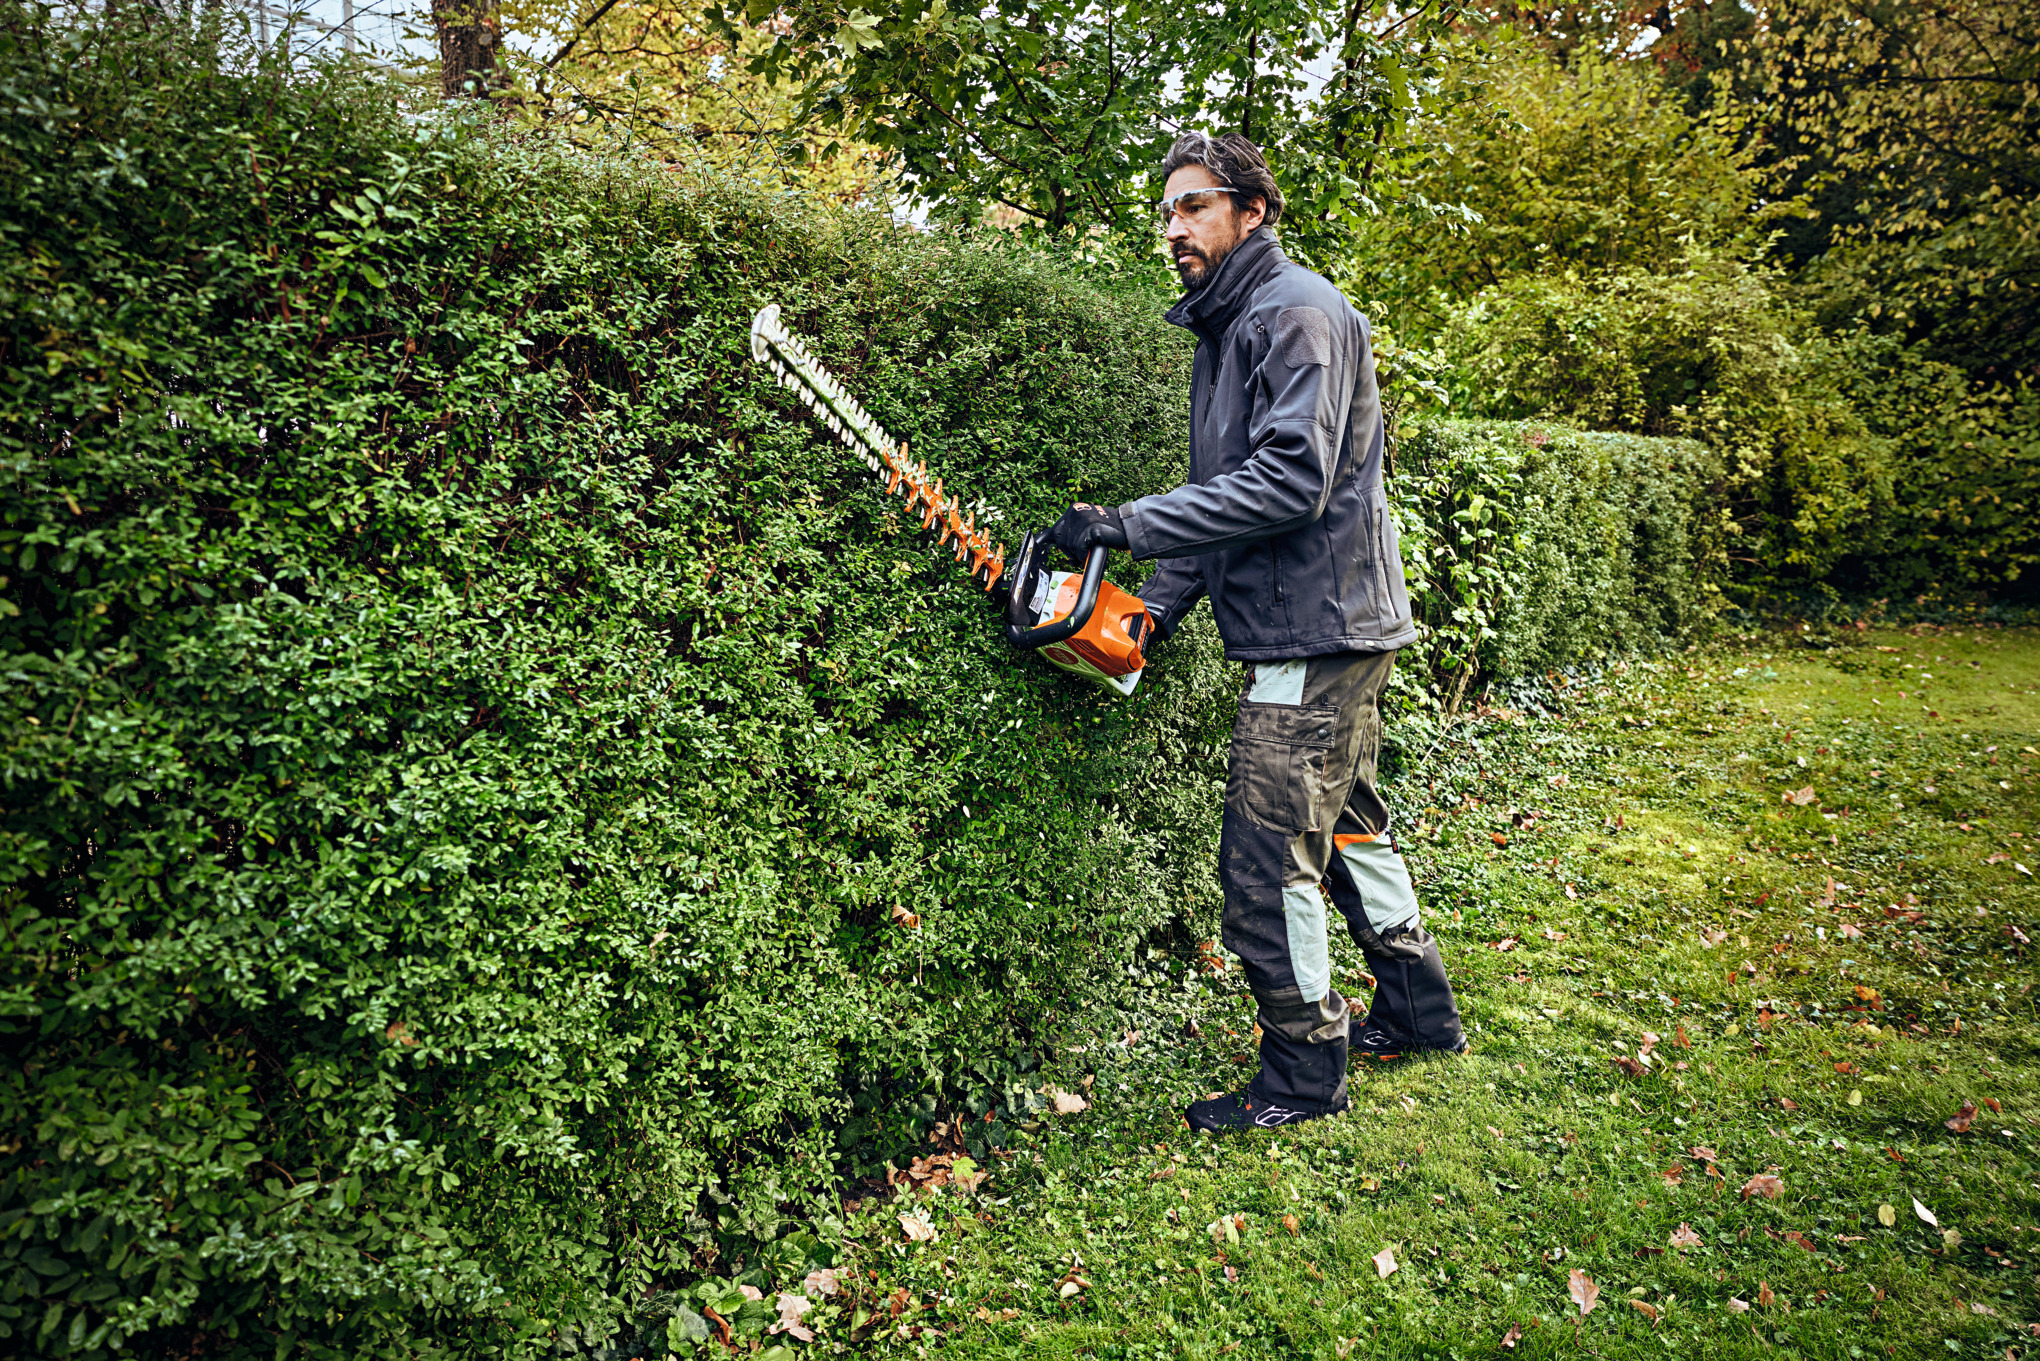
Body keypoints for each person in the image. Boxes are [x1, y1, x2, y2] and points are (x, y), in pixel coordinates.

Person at [1045, 132, 1467, 1134]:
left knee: (1267, 858)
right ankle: (1417, 1010)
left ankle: (1304, 1070)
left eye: (1194, 205)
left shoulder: (1297, 316)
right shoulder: (1232, 330)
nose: (1175, 228)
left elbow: (1288, 484)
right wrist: (1148, 608)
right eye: (1168, 213)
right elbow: (1221, 502)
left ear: (1253, 210)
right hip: (1325, 621)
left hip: (1309, 631)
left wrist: (1122, 524)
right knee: (1350, 821)